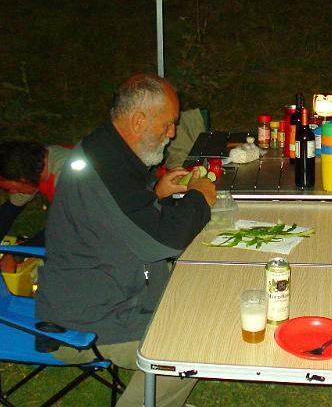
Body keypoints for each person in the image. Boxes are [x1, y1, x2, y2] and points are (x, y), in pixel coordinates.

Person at [35, 74, 215, 407]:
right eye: (169, 124)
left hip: (113, 290)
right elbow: (166, 241)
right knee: (193, 339)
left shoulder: (108, 149)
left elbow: (122, 214)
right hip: (91, 316)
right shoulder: (105, 169)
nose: (173, 133)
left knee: (201, 300)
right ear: (139, 120)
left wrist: (157, 193)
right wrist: (201, 197)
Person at [0, 141, 74, 246]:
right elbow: (10, 210)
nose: (12, 192)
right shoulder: (34, 165)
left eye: (11, 188)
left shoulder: (67, 178)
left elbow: (65, 228)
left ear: (23, 177)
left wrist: (18, 254)